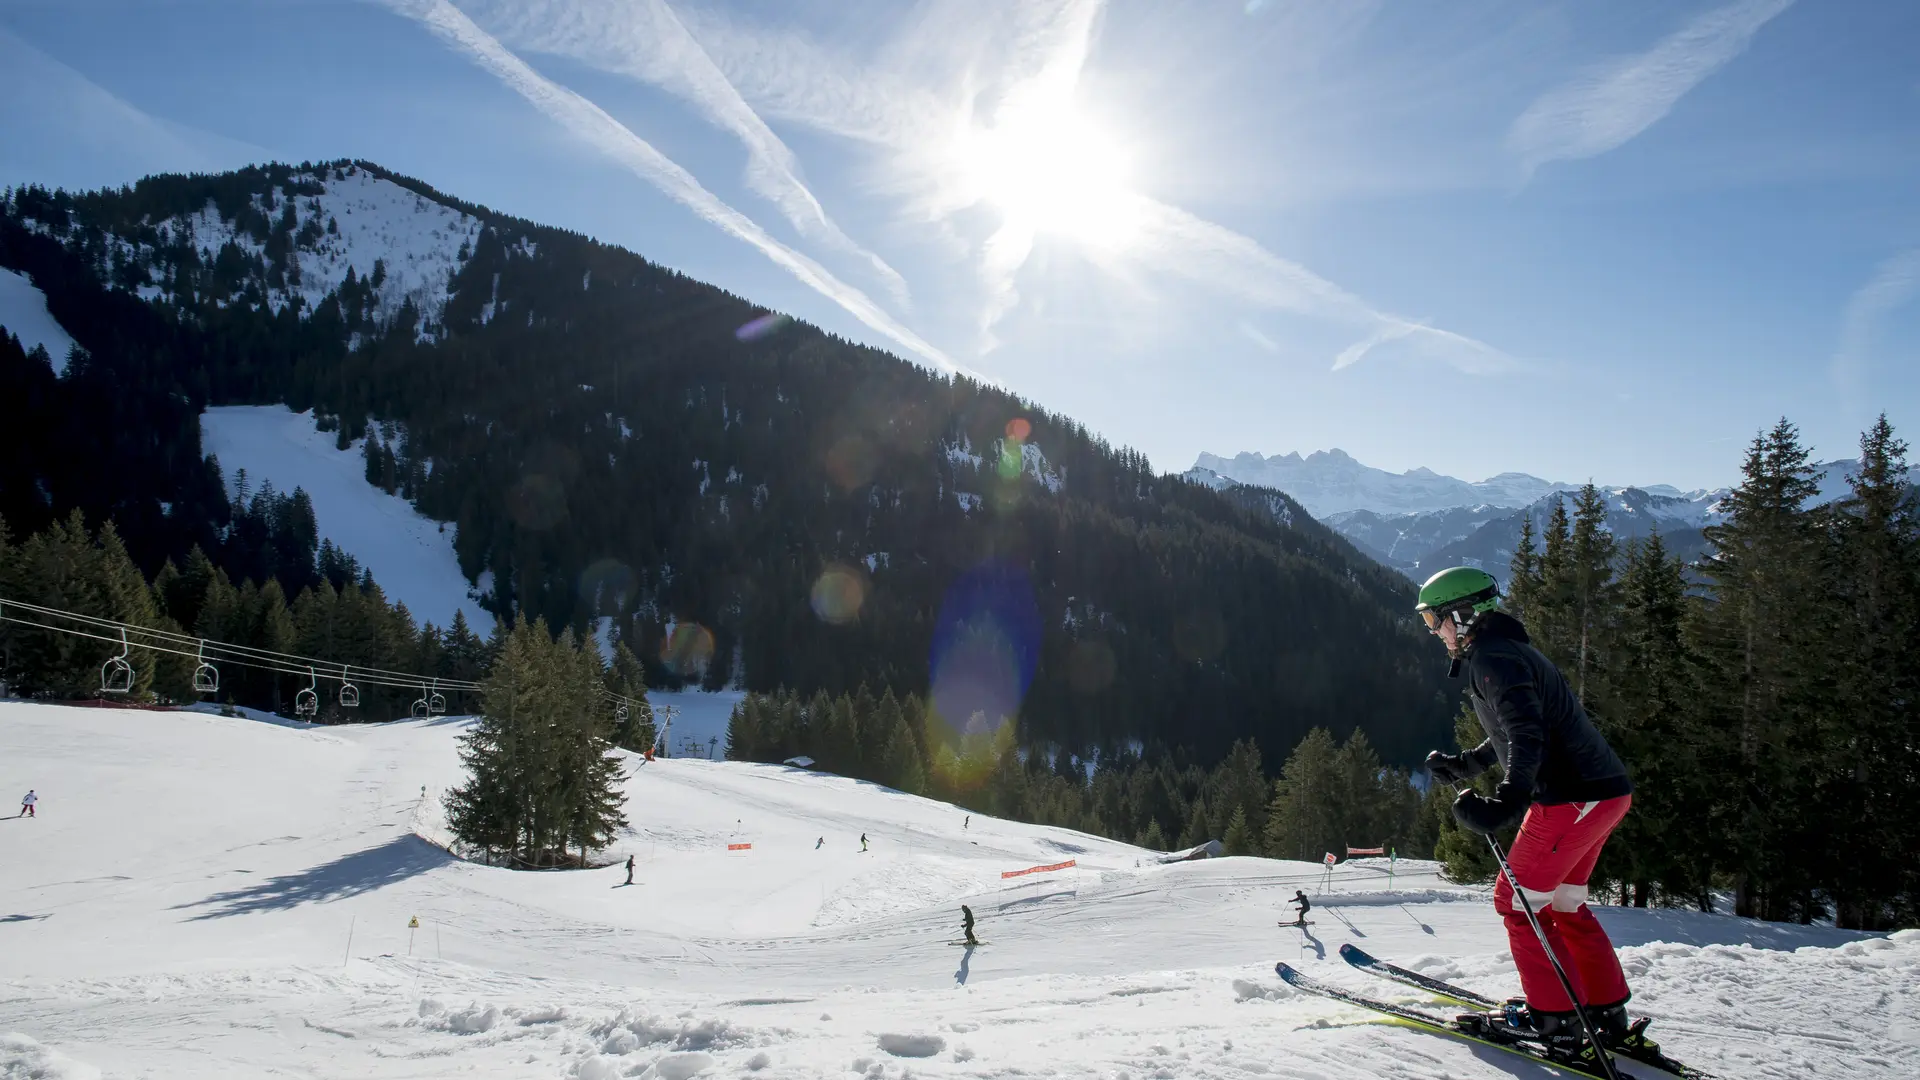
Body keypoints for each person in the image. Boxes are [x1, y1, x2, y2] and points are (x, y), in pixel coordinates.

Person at [1416, 566, 1652, 1063]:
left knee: (1517, 903)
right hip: (1603, 794)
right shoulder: (1507, 652)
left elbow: (1527, 735)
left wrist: (1506, 801)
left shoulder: (1493, 659)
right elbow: (1516, 726)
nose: (1433, 631)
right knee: (1564, 902)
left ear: (1461, 616)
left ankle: (1560, 1024)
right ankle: (1605, 1015)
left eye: (1434, 620)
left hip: (1570, 798)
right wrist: (1471, 762)